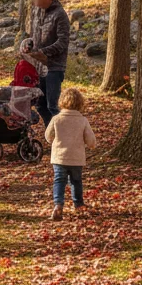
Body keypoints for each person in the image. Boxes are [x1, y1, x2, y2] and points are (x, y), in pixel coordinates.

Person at [44, 88, 96, 221]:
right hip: (76, 158)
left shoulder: (56, 119)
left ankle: (58, 205)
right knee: (76, 181)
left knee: (59, 181)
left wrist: (54, 141)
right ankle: (78, 204)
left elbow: (48, 136)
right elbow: (91, 140)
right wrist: (91, 145)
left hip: (59, 157)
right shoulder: (82, 120)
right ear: (80, 103)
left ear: (62, 102)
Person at [27, 0, 70, 124]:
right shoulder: (36, 11)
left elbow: (63, 42)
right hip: (38, 67)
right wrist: (29, 45)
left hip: (54, 67)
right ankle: (50, 135)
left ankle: (61, 139)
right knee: (40, 105)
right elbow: (34, 35)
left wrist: (43, 52)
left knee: (53, 106)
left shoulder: (60, 14)